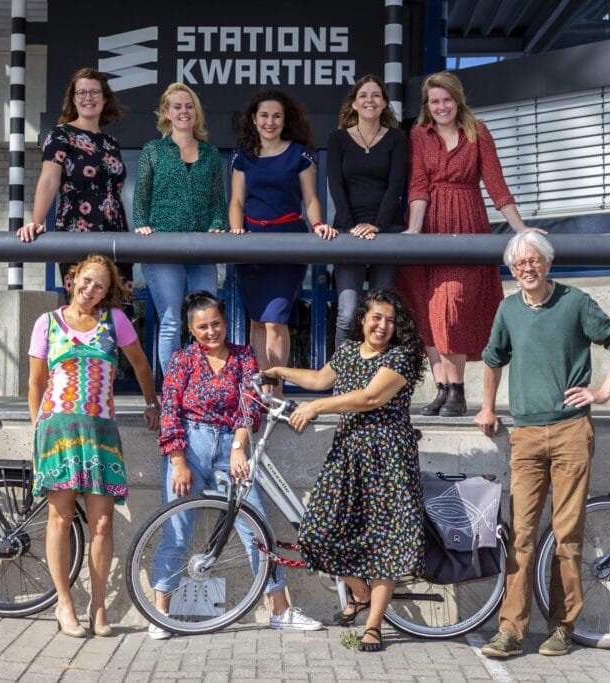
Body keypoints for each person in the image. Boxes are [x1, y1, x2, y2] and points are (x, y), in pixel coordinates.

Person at [475, 232, 610, 658]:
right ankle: (510, 630)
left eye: (535, 260)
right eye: (520, 263)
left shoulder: (576, 303)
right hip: (525, 435)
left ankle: (562, 627)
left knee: (567, 535)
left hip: (570, 433)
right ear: (512, 269)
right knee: (521, 535)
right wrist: (488, 408)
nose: (528, 268)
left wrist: (602, 392)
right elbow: (492, 359)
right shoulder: (508, 309)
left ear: (548, 263)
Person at [148, 290, 324, 639]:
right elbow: (170, 412)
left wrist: (239, 447)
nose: (211, 332)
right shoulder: (182, 360)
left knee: (256, 528)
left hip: (232, 445)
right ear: (190, 329)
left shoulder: (244, 357)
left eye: (216, 323)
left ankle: (280, 610)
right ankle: (160, 614)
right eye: (202, 327)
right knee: (177, 531)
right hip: (190, 446)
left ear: (226, 322)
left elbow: (249, 405)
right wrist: (178, 460)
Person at [264, 288, 427, 652]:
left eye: (389, 319)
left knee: (387, 544)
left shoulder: (400, 357)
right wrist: (278, 371)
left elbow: (369, 397)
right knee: (317, 532)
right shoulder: (349, 351)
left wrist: (318, 408)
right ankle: (360, 592)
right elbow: (320, 379)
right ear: (363, 319)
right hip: (348, 454)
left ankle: (373, 626)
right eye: (376, 317)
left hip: (388, 458)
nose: (382, 325)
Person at [27, 254, 160, 638]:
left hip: (101, 433)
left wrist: (152, 403)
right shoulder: (47, 323)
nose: (90, 290)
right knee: (60, 518)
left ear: (108, 292)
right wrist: (38, 427)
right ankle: (64, 603)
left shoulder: (115, 322)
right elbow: (36, 382)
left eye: (99, 285)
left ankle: (98, 606)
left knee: (102, 523)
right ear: (72, 280)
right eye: (86, 281)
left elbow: (140, 365)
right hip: (58, 433)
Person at [396, 70, 536, 417]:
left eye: (446, 100)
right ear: (427, 105)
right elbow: (418, 187)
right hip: (429, 225)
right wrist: (414, 232)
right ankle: (443, 389)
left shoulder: (478, 132)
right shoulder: (418, 136)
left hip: (467, 223)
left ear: (457, 101)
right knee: (426, 311)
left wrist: (521, 230)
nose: (441, 107)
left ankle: (458, 388)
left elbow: (497, 186)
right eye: (434, 101)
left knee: (452, 305)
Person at [229, 89, 336, 383]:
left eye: (277, 116)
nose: (270, 121)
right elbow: (237, 201)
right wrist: (237, 232)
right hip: (250, 243)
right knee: (257, 321)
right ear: (253, 119)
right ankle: (261, 387)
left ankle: (275, 389)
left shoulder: (299, 153)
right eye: (264, 115)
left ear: (285, 119)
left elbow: (311, 198)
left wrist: (318, 225)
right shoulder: (242, 155)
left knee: (276, 320)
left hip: (287, 239)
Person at [133, 83, 227, 376]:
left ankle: (205, 384)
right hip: (163, 244)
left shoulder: (210, 153)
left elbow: (217, 200)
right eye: (177, 106)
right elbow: (141, 195)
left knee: (208, 319)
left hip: (201, 247)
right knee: (173, 319)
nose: (183, 111)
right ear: (166, 112)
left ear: (196, 112)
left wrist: (216, 226)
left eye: (189, 106)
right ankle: (175, 389)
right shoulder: (153, 149)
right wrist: (141, 225)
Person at [16, 68, 132, 292]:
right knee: (85, 303)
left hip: (115, 230)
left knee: (118, 309)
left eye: (95, 92)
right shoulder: (60, 135)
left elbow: (115, 191)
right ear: (73, 99)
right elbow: (49, 180)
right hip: (76, 228)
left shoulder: (111, 142)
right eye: (82, 93)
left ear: (105, 98)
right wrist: (37, 221)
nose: (88, 97)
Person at [326, 76, 409, 349]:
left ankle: (376, 384)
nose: (369, 100)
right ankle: (340, 381)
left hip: (386, 232)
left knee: (380, 315)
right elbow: (336, 186)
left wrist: (379, 225)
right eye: (363, 95)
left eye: (376, 95)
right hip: (348, 231)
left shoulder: (397, 138)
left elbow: (396, 184)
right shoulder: (338, 139)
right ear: (353, 103)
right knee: (348, 313)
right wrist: (351, 227)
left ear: (384, 103)